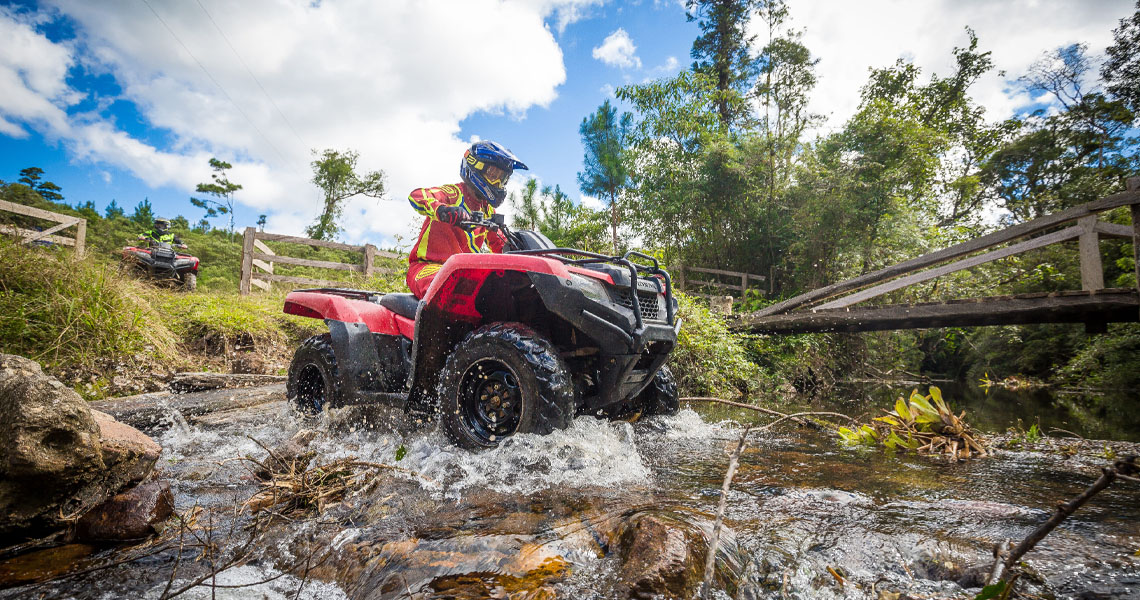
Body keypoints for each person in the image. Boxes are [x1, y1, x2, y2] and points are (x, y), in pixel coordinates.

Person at [405, 141, 527, 298]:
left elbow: (500, 245)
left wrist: (518, 253)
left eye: (502, 179)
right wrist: (443, 210)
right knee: (448, 289)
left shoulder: (487, 210)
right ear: (475, 167)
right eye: (493, 175)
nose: (497, 183)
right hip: (427, 268)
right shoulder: (454, 193)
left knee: (498, 293)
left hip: (463, 273)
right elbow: (417, 195)